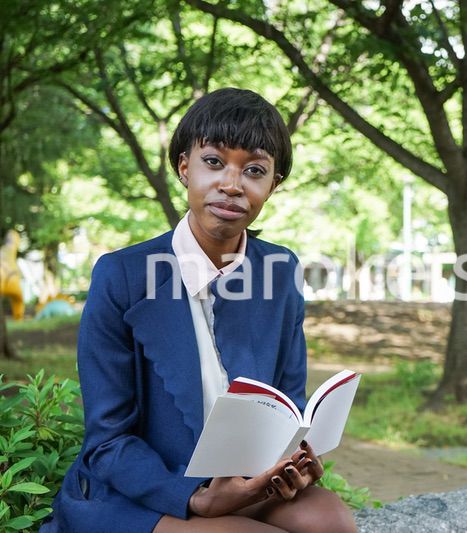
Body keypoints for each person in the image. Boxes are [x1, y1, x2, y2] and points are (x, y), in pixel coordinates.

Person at [41, 88, 357, 532]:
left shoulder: (278, 269)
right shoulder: (122, 276)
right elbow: (107, 441)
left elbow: (288, 401)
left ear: (273, 184)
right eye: (213, 161)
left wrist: (293, 459)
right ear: (184, 166)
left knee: (332, 520)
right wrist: (197, 498)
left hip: (245, 483)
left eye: (254, 170)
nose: (231, 184)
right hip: (139, 493)